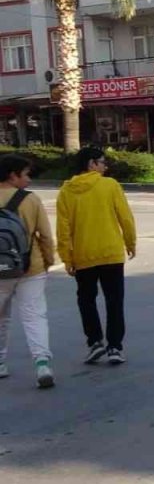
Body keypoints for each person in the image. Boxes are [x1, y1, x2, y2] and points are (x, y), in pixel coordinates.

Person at [57, 147, 137, 366]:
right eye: (102, 162)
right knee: (114, 301)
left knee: (86, 300)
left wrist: (67, 257)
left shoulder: (66, 191)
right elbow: (125, 218)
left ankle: (94, 342)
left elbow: (63, 229)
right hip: (110, 253)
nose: (105, 166)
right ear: (92, 164)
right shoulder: (110, 185)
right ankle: (114, 347)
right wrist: (130, 242)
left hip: (83, 255)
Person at [0, 155, 57, 388]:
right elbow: (44, 235)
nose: (29, 180)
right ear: (13, 175)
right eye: (26, 174)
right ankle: (42, 363)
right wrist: (48, 261)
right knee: (35, 315)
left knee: (2, 317)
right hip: (29, 267)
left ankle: (0, 363)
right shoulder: (31, 200)